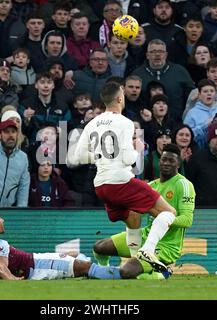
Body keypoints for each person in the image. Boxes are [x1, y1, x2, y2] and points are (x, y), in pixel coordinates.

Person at [67, 81, 177, 272]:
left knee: (133, 217)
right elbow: (128, 158)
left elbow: (77, 157)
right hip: (120, 181)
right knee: (169, 213)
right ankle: (148, 251)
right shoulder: (125, 122)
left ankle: (135, 262)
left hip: (101, 186)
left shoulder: (91, 123)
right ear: (119, 98)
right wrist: (137, 150)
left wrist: (101, 154)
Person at [93, 143, 195, 279]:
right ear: (159, 161)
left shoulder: (183, 185)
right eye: (164, 159)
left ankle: (162, 273)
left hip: (166, 247)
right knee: (99, 247)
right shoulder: (151, 186)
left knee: (127, 271)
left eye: (171, 161)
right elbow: (132, 211)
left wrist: (163, 220)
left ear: (178, 164)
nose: (166, 163)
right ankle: (103, 271)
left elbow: (187, 220)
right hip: (144, 237)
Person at [0, 203, 122, 280]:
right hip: (37, 267)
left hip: (36, 260)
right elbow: (2, 268)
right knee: (84, 266)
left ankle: (97, 273)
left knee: (74, 255)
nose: (3, 220)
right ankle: (122, 274)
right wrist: (13, 281)